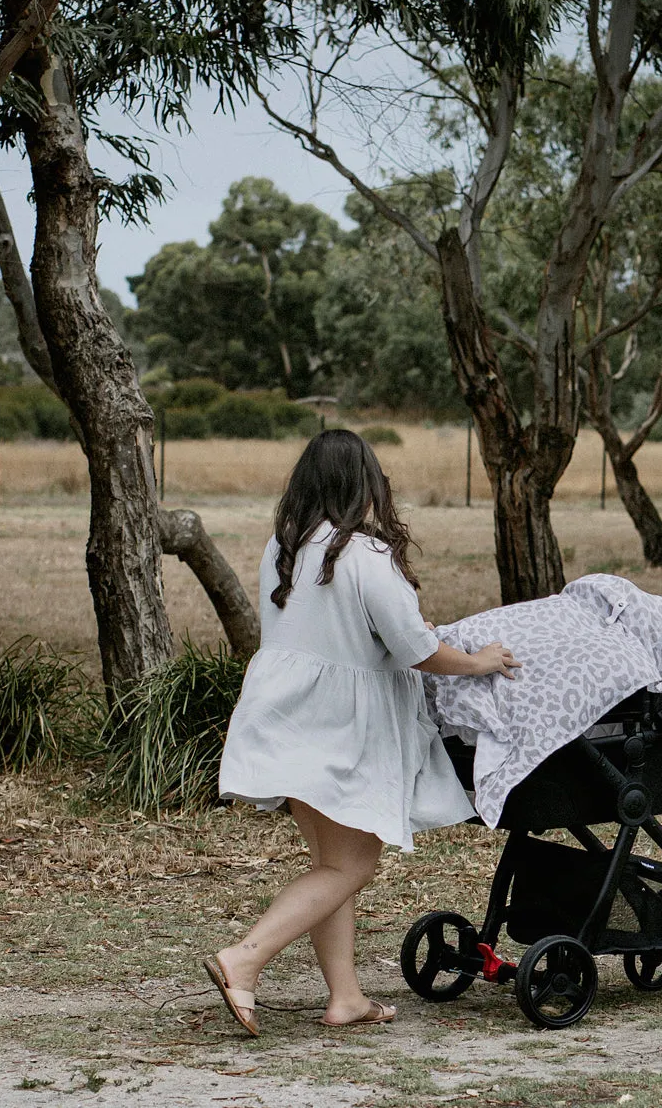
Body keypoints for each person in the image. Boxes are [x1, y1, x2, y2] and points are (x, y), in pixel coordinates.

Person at [205, 429, 519, 1033]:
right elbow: (414, 649)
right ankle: (243, 960)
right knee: (350, 867)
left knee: (330, 864)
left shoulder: (285, 546)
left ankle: (345, 997)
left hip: (285, 714)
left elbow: (332, 627)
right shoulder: (364, 554)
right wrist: (480, 661)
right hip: (342, 727)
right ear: (365, 485)